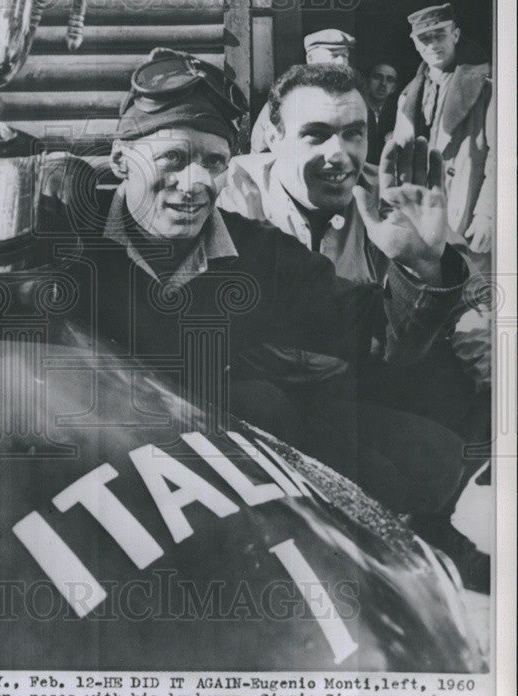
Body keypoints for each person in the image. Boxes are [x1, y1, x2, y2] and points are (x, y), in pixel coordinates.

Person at [41, 48, 472, 525]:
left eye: (213, 161)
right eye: (173, 158)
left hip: (201, 473)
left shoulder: (258, 254)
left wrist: (420, 263)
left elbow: (378, 333)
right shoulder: (68, 230)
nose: (195, 182)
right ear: (122, 161)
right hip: (82, 468)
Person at [219, 62, 489, 590]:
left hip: (354, 380)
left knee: (480, 353)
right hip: (259, 396)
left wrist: (429, 268)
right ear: (273, 136)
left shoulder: (386, 192)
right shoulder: (236, 192)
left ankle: (427, 528)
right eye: (315, 134)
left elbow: (472, 290)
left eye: (353, 133)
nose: (338, 155)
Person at [391, 3, 493, 255]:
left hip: (467, 210)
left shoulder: (486, 89)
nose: (433, 44)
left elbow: (501, 157)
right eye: (424, 38)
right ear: (415, 44)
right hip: (423, 215)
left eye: (440, 35)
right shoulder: (406, 97)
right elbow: (397, 163)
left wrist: (489, 213)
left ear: (455, 36)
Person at [249, 29, 354, 152]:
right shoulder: (286, 101)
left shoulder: (351, 101)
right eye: (334, 55)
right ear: (310, 58)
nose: (341, 62)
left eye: (345, 55)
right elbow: (261, 153)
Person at [364, 61, 399, 164]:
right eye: (377, 77)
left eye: (390, 80)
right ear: (366, 81)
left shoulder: (398, 115)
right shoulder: (357, 110)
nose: (383, 83)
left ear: (394, 88)